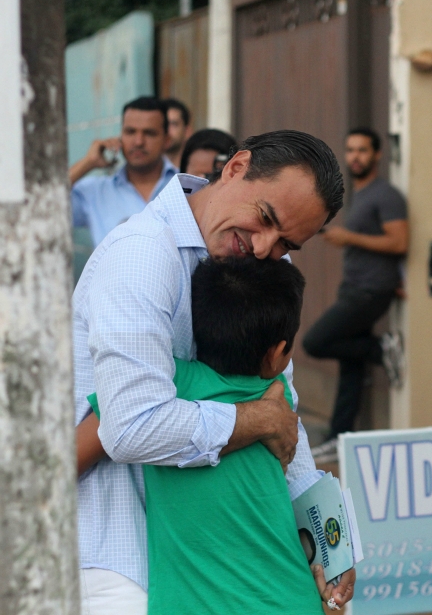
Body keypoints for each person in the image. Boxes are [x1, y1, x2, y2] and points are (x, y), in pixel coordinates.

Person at [72, 130, 353, 615]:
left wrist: (328, 542)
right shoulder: (141, 255)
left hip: (214, 558)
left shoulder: (254, 258)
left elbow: (281, 409)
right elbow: (131, 428)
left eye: (287, 242)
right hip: (122, 555)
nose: (267, 247)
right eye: (266, 219)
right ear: (236, 167)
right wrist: (255, 420)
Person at [80, 257, 343, 613]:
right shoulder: (275, 395)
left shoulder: (165, 387)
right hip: (288, 599)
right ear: (278, 354)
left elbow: (122, 418)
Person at [302, 127, 408, 462]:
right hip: (355, 285)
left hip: (371, 289)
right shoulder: (359, 193)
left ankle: (380, 347)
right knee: (351, 367)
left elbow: (399, 242)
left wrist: (349, 238)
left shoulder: (386, 194)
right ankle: (340, 437)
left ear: (377, 155)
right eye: (350, 150)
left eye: (363, 150)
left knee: (315, 342)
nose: (355, 157)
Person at [69, 96, 178, 246]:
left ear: (166, 140)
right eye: (130, 132)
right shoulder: (95, 192)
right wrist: (88, 162)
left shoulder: (184, 186)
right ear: (121, 136)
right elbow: (42, 203)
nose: (139, 141)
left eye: (149, 133)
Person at [163, 97, 193, 170]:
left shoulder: (195, 172)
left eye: (173, 124)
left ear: (187, 131)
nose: (167, 130)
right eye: (164, 124)